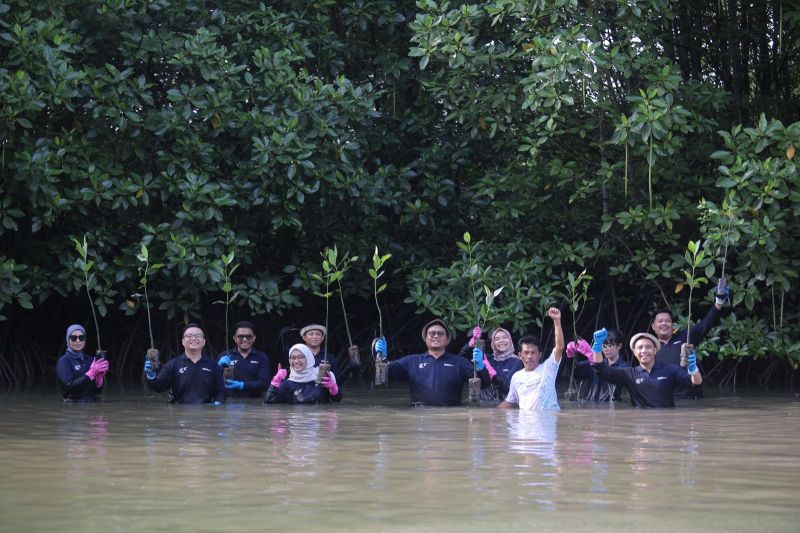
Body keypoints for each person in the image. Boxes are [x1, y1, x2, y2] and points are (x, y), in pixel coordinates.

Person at [374, 319, 490, 407]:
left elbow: (484, 384)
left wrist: (480, 367)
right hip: (419, 414)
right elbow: (384, 375)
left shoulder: (460, 363)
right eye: (432, 333)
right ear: (425, 338)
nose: (436, 336)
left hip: (451, 416)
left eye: (440, 334)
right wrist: (381, 357)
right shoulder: (411, 361)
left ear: (447, 339)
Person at [590, 329, 702, 408]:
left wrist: (693, 370)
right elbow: (601, 370)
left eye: (648, 347)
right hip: (641, 425)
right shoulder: (629, 373)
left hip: (666, 423)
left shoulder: (670, 369)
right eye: (640, 348)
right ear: (634, 352)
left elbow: (695, 384)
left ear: (655, 350)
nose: (644, 351)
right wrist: (597, 347)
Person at [651, 277, 730, 367]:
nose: (664, 323)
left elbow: (705, 324)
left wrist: (719, 302)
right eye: (660, 321)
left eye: (667, 321)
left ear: (672, 325)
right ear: (653, 326)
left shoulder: (685, 336)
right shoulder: (649, 346)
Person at [499, 308, 564, 411]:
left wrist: (557, 321)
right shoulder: (516, 377)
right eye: (526, 353)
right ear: (520, 355)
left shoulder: (548, 368)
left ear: (540, 355)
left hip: (548, 422)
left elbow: (559, 347)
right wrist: (490, 415)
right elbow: (510, 402)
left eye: (533, 352)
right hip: (525, 424)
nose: (529, 356)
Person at [144, 323, 225, 404]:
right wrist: (151, 376)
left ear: (204, 342)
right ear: (183, 341)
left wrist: (217, 404)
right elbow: (159, 387)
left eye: (198, 336)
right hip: (179, 413)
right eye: (189, 336)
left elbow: (220, 391)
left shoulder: (213, 365)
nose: (193, 338)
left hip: (205, 412)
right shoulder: (173, 364)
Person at [461, 327, 524, 402]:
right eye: (497, 339)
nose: (501, 341)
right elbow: (461, 359)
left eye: (504, 337)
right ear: (493, 343)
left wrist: (491, 372)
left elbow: (507, 387)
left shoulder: (517, 362)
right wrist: (472, 343)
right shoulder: (488, 359)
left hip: (504, 405)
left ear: (510, 340)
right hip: (484, 405)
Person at [265, 344, 341, 404]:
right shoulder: (287, 384)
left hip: (320, 421)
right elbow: (269, 402)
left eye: (300, 357)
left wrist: (334, 388)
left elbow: (337, 399)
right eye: (292, 358)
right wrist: (275, 381)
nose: (296, 361)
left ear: (308, 358)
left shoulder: (322, 376)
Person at [216, 321, 271, 398]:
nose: (244, 339)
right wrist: (217, 367)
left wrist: (242, 385)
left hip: (255, 404)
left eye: (248, 336)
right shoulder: (225, 355)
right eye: (240, 336)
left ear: (254, 338)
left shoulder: (262, 357)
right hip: (229, 403)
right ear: (235, 338)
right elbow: (212, 382)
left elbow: (264, 384)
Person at [571, 329, 630, 401]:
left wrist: (593, 359)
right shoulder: (592, 362)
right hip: (589, 405)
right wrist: (571, 356)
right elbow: (574, 371)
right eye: (603, 346)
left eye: (610, 345)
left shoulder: (625, 367)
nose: (605, 349)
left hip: (609, 408)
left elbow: (607, 372)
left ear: (619, 346)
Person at [56, 324, 109, 402]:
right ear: (68, 340)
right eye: (74, 338)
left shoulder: (91, 360)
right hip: (73, 405)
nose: (78, 341)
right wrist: (91, 373)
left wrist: (99, 377)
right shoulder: (64, 361)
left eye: (81, 338)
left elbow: (98, 391)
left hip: (93, 404)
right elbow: (69, 387)